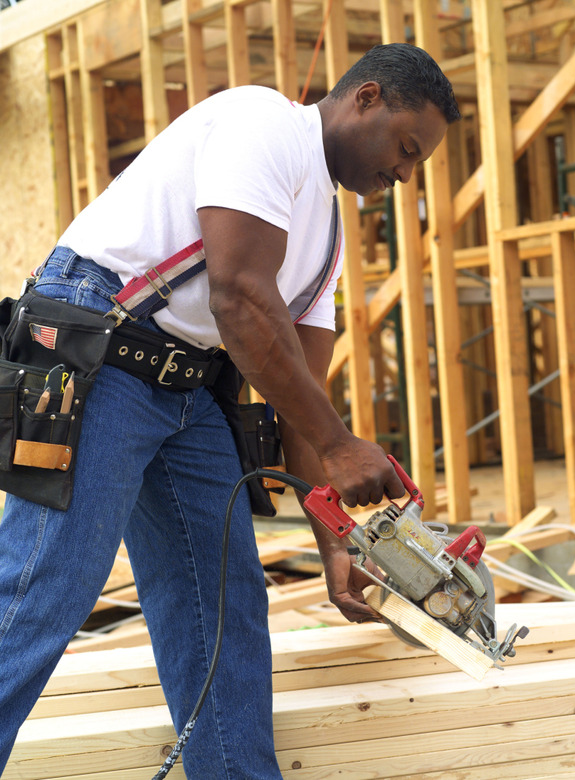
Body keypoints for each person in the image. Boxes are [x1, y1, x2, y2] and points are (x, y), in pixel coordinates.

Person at [0, 43, 460, 777]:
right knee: (46, 586)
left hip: (185, 386)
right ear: (365, 97)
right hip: (102, 345)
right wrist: (343, 447)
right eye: (407, 148)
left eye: (416, 166)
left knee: (225, 608)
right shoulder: (263, 125)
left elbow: (303, 401)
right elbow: (239, 297)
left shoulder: (328, 237)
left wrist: (335, 542)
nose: (404, 174)